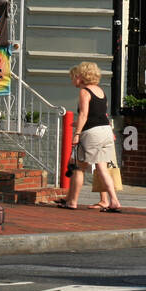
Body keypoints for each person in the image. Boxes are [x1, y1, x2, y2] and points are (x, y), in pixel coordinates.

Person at [58, 61, 121, 213]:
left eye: (77, 75)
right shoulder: (100, 91)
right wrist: (78, 124)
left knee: (79, 168)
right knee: (102, 169)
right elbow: (99, 114)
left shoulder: (84, 92)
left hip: (92, 134)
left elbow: (84, 114)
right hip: (105, 131)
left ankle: (72, 201)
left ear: (81, 75)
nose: (75, 78)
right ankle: (114, 201)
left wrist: (77, 133)